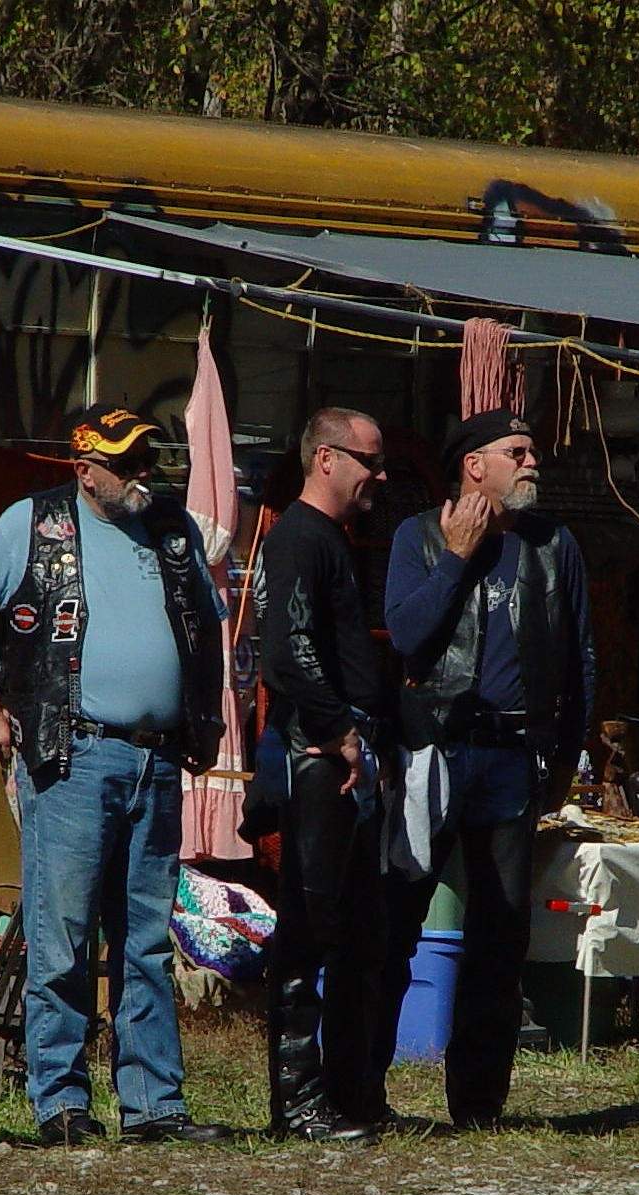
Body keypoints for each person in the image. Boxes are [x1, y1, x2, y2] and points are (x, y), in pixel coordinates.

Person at [0, 404, 234, 1147]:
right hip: (72, 754)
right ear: (84, 469)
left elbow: (204, 623)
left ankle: (153, 1107)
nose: (143, 475)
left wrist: (206, 720)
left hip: (155, 755)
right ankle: (61, 1103)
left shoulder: (173, 530)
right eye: (126, 463)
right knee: (62, 935)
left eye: (147, 460)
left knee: (144, 940)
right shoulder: (34, 524)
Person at [377, 409, 596, 1129]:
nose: (533, 462)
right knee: (397, 917)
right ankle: (360, 1092)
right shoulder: (419, 534)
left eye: (533, 450)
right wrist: (456, 555)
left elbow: (579, 658)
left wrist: (566, 755)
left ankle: (478, 1104)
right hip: (434, 749)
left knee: (499, 935)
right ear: (475, 465)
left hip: (512, 756)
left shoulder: (552, 544)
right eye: (517, 451)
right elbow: (407, 635)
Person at [257, 407, 392, 1142]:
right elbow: (289, 652)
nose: (378, 475)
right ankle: (299, 1102)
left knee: (355, 932)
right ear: (326, 459)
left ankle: (348, 1093)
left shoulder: (331, 541)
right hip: (317, 761)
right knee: (306, 933)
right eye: (368, 460)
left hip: (347, 758)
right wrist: (337, 731)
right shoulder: (298, 539)